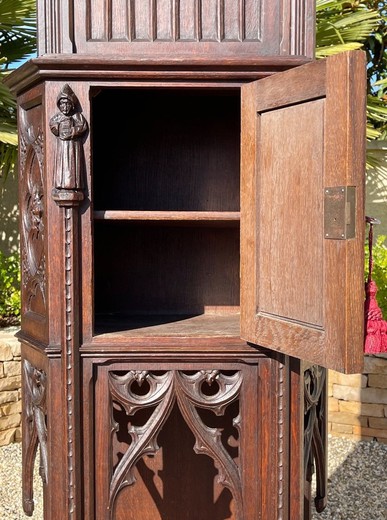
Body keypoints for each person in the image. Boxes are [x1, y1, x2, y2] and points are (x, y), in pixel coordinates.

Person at [49, 84, 88, 190]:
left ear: (72, 105)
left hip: (73, 145)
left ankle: (74, 185)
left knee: (72, 165)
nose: (65, 107)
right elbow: (52, 125)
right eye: (62, 104)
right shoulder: (57, 117)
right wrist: (60, 129)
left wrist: (72, 131)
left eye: (67, 104)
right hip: (62, 145)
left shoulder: (77, 116)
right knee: (62, 165)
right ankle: (61, 185)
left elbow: (83, 126)